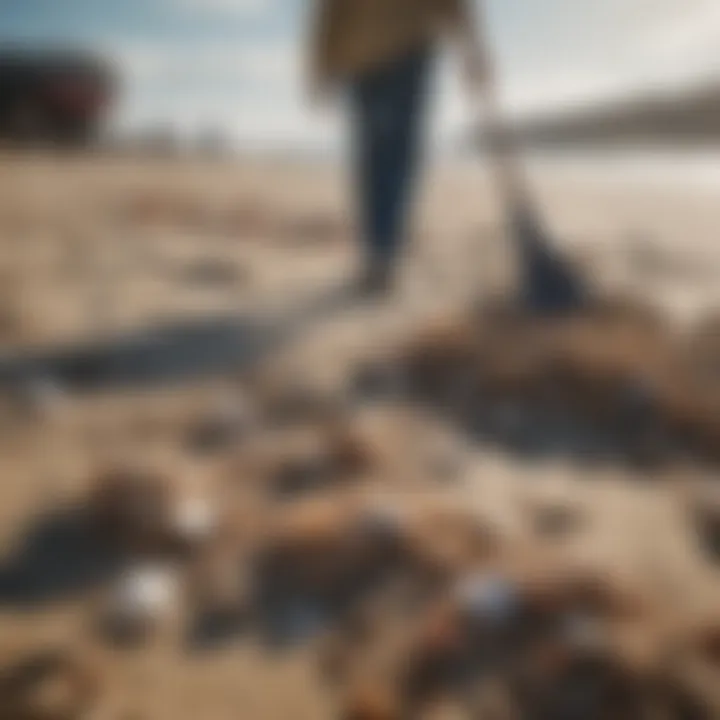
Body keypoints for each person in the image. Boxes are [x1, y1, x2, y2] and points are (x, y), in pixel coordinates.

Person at [309, 0, 490, 294]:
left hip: (378, 50)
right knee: (392, 154)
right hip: (389, 51)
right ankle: (382, 252)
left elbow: (329, 11)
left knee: (379, 154)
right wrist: (472, 49)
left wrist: (321, 68)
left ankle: (379, 253)